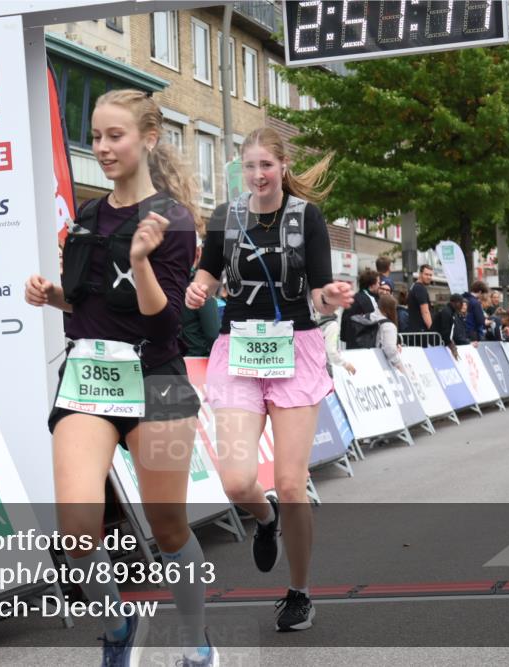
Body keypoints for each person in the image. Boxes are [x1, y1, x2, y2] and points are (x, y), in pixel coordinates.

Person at [24, 89, 215, 666]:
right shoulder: (87, 214)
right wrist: (51, 295)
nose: (102, 147)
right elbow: (88, 305)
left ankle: (196, 641)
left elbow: (166, 324)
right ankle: (116, 625)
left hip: (154, 376)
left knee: (169, 525)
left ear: (147, 140)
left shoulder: (173, 222)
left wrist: (140, 262)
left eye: (115, 136)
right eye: (97, 136)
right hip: (88, 379)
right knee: (76, 529)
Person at [185, 126, 354, 633]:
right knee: (238, 482)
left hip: (294, 350)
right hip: (237, 350)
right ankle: (265, 519)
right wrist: (196, 291)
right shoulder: (226, 217)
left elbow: (320, 293)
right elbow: (207, 276)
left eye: (267, 166)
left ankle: (299, 592)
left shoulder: (308, 218)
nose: (258, 175)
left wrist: (335, 296)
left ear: (283, 167)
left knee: (289, 483)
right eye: (250, 166)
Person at [180, 238, 220, 356]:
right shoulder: (199, 289)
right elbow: (214, 335)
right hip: (197, 361)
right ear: (198, 252)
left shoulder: (164, 284)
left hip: (172, 361)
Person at [341, 268, 380, 349]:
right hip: (364, 345)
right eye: (378, 283)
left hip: (351, 343)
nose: (379, 286)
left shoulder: (353, 298)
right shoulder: (368, 299)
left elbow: (344, 319)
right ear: (372, 285)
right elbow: (375, 320)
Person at [316, 308, 356, 376]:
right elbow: (331, 351)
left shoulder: (315, 322)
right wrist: (345, 364)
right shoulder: (332, 325)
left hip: (312, 364)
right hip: (324, 367)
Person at [433, 293, 470, 358]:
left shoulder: (451, 312)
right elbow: (446, 331)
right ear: (455, 303)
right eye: (461, 304)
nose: (461, 306)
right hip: (435, 343)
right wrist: (452, 346)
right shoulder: (447, 312)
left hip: (440, 342)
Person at [373, 294, 404, 371]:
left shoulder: (368, 316)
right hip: (380, 363)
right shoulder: (388, 325)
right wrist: (399, 365)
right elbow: (390, 349)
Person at [406, 264, 434, 340]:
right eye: (426, 274)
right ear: (420, 274)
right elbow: (425, 312)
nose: (429, 277)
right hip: (420, 332)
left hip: (415, 332)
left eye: (430, 275)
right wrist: (432, 330)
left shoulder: (414, 286)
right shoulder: (420, 289)